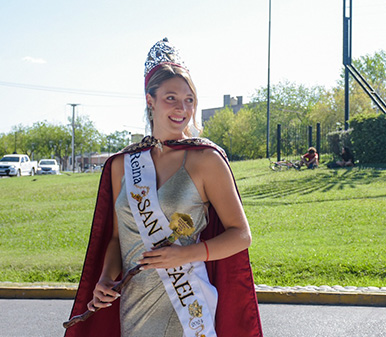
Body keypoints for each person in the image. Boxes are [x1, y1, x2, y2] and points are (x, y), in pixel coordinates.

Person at [65, 38, 262, 337]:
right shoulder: (123, 164)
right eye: (171, 97)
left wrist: (186, 255)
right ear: (150, 100)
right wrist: (105, 278)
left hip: (187, 306)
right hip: (133, 307)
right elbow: (119, 237)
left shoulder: (206, 160)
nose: (182, 108)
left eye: (189, 99)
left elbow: (241, 236)